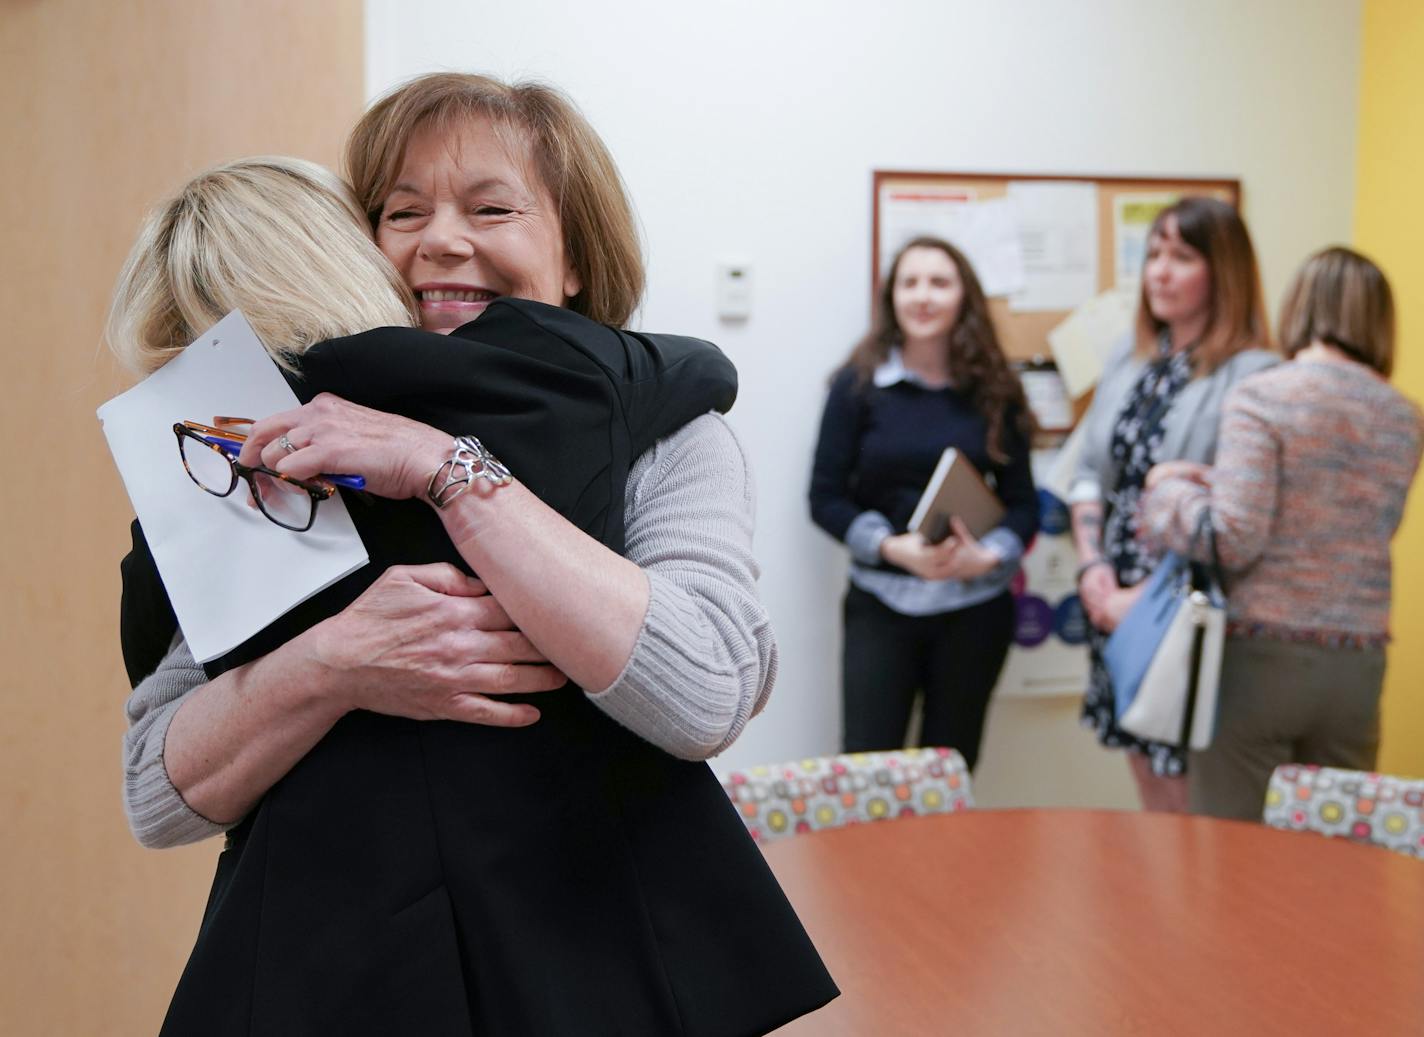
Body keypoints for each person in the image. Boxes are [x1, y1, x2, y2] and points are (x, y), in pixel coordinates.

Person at [115, 74, 837, 1037]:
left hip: (594, 959)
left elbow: (704, 694)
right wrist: (335, 664)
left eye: (492, 207)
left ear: (575, 256)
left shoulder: (659, 427)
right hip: (329, 965)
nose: (441, 239)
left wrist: (447, 468)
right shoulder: (281, 441)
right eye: (399, 212)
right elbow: (158, 795)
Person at [1139, 247, 1423, 820]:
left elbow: (1233, 535)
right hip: (1357, 662)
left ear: (1300, 307)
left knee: (1230, 859)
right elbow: (1335, 515)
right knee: (1334, 855)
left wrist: (1166, 489)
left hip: (1259, 658)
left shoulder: (1265, 395)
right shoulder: (1404, 416)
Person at [1068, 196, 1278, 812]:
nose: (1158, 271)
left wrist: (1141, 599)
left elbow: (1233, 507)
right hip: (1112, 597)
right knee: (1144, 779)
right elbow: (1089, 473)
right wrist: (1092, 569)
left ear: (1224, 273)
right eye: (1154, 253)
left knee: (1187, 796)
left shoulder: (1254, 373)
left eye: (1181, 256)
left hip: (1181, 609)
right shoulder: (1131, 361)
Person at [809, 236, 1038, 768]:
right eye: (910, 283)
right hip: (881, 604)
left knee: (951, 769)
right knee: (868, 770)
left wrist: (990, 556)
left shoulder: (997, 390)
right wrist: (893, 549)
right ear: (891, 297)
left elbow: (1024, 503)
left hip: (973, 609)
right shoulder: (857, 386)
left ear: (965, 297)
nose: (923, 296)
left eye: (939, 282)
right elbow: (824, 497)